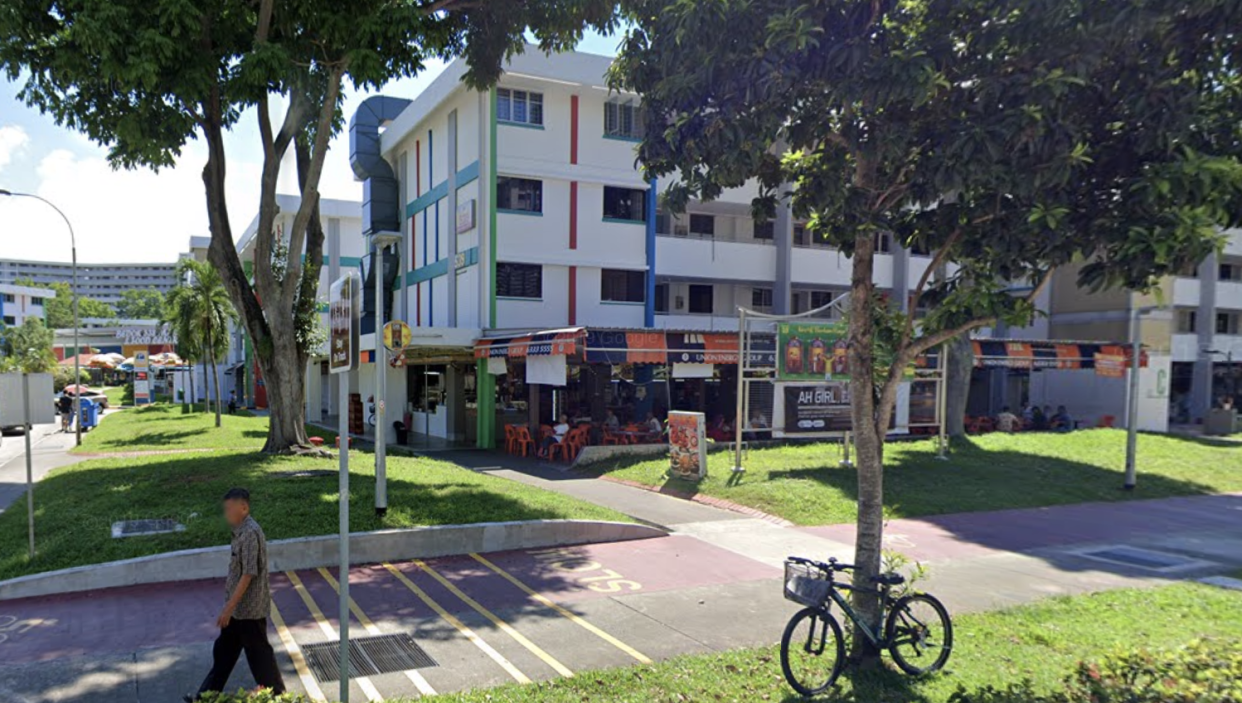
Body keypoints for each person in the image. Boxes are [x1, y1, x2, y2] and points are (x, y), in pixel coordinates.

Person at [188, 488, 285, 701]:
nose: (227, 514)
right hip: (238, 610)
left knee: (260, 657)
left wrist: (228, 608)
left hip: (248, 610)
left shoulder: (250, 533)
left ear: (244, 507)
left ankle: (279, 696)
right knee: (224, 653)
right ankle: (205, 697)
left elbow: (248, 574)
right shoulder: (240, 531)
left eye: (230, 509)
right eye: (226, 510)